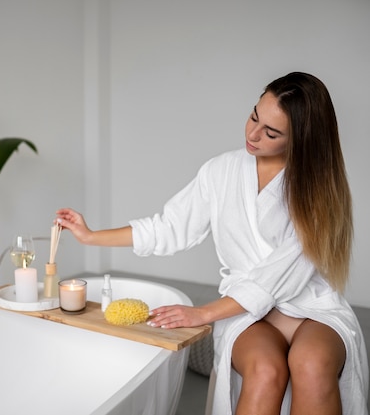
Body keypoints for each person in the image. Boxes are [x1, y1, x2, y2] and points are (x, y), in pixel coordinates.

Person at [56, 72, 368, 415]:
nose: (252, 134)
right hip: (247, 311)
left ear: (303, 140)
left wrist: (202, 313)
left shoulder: (319, 189)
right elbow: (169, 228)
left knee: (313, 364)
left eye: (271, 132)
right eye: (253, 116)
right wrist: (90, 236)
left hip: (311, 307)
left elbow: (277, 277)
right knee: (265, 370)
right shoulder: (221, 171)